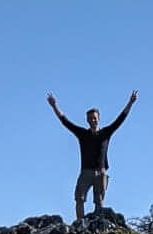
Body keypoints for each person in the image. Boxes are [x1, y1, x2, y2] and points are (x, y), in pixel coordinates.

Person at [48, 90, 137, 219]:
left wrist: (130, 103)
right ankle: (80, 225)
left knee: (99, 202)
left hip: (101, 172)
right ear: (87, 120)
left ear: (99, 119)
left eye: (94, 118)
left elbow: (120, 119)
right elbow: (65, 121)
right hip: (86, 172)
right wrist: (54, 105)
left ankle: (97, 226)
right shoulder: (82, 134)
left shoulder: (106, 133)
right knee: (79, 198)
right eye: (90, 118)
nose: (92, 120)